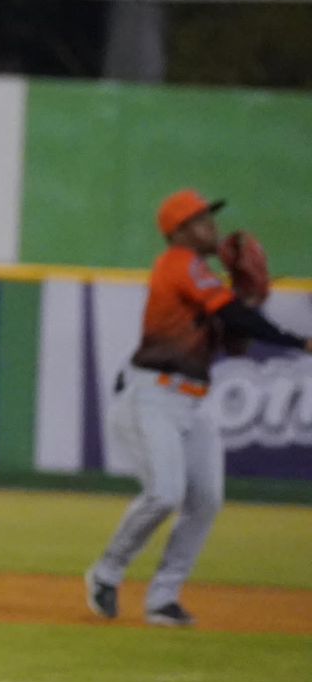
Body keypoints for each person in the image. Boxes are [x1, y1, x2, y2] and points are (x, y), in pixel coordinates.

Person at [85, 190, 311, 628]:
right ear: (181, 231)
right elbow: (239, 322)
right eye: (204, 221)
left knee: (205, 500)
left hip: (193, 401)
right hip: (151, 395)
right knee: (165, 493)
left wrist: (246, 299)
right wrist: (298, 340)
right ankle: (105, 573)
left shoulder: (204, 278)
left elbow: (236, 343)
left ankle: (163, 599)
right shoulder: (179, 265)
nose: (213, 228)